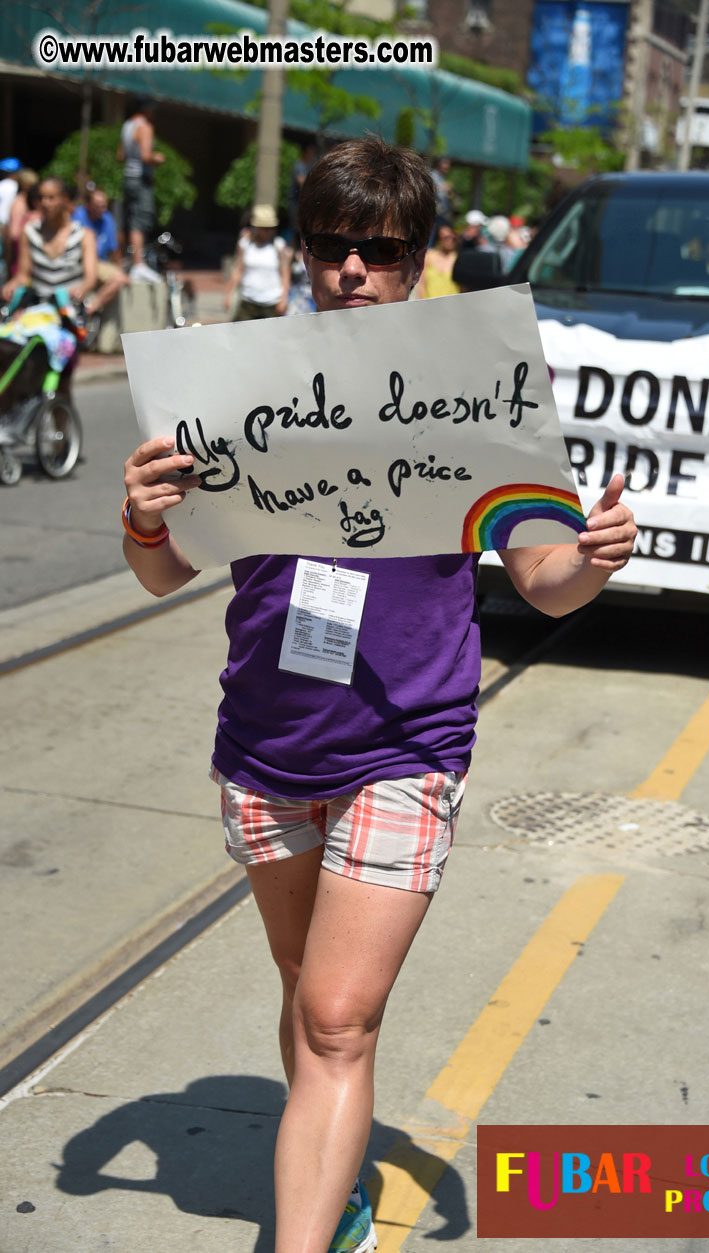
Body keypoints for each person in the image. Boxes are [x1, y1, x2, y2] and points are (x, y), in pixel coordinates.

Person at [122, 136, 636, 1253]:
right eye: (331, 245)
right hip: (267, 741)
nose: (355, 269)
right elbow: (163, 571)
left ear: (421, 259)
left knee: (338, 1015)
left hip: (406, 740)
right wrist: (146, 519)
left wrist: (592, 559)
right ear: (304, 253)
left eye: (384, 250)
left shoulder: (473, 386)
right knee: (308, 992)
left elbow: (542, 577)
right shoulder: (234, 382)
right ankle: (339, 1178)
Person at [1, 177, 96, 306]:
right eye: (41, 198)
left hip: (70, 305)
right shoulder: (30, 231)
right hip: (39, 305)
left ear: (64, 199)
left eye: (51, 198)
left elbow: (90, 278)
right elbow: (23, 275)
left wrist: (80, 290)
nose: (45, 203)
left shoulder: (84, 235)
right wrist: (12, 285)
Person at [117, 97, 165, 281]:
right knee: (139, 220)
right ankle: (138, 264)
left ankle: (126, 259)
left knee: (128, 219)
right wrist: (157, 158)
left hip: (128, 176)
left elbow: (120, 155)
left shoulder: (127, 126)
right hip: (141, 178)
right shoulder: (144, 127)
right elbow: (145, 156)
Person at [224, 203, 291, 321]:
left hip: (271, 303)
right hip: (248, 301)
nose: (268, 231)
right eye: (264, 228)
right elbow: (238, 271)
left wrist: (283, 299)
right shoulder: (245, 245)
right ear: (256, 227)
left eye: (271, 228)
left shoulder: (279, 245)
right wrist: (228, 294)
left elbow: (285, 274)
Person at [72, 186, 131, 316]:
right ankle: (84, 311)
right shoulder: (77, 217)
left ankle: (89, 308)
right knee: (116, 278)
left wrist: (118, 268)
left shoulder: (107, 218)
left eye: (104, 206)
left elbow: (114, 248)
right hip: (80, 262)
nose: (103, 209)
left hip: (99, 263)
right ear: (88, 205)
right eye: (98, 206)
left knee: (123, 278)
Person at [416, 220, 460, 299]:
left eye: (452, 237)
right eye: (446, 238)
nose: (450, 240)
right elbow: (422, 284)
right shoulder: (429, 256)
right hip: (430, 304)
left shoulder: (458, 258)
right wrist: (420, 302)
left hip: (452, 304)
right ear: (439, 240)